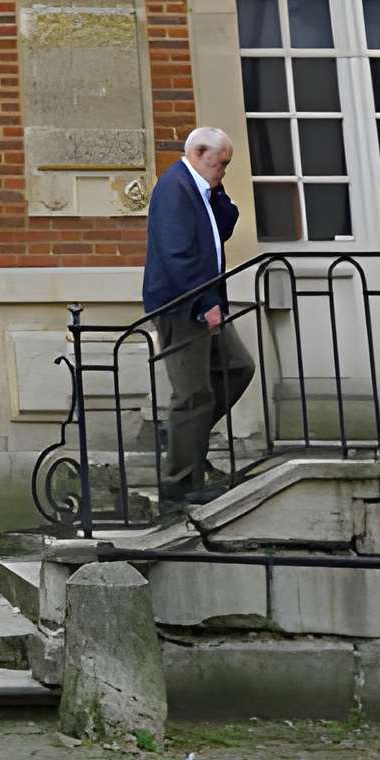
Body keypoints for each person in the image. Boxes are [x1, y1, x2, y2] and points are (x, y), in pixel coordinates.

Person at [142, 127, 255, 501]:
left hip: (204, 300)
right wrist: (206, 304)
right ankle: (180, 484)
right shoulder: (174, 188)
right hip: (183, 306)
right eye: (220, 163)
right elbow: (178, 254)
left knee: (238, 367)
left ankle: (187, 439)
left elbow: (225, 224)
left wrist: (217, 190)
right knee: (192, 394)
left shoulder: (200, 187)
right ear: (199, 152)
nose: (223, 169)